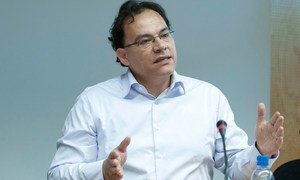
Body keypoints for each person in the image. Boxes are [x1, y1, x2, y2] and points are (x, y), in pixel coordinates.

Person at [47, 0, 284, 179]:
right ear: (123, 55)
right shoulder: (94, 102)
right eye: (145, 41)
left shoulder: (208, 98)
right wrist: (101, 171)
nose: (161, 46)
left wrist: (260, 150)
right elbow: (58, 173)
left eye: (164, 35)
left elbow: (235, 167)